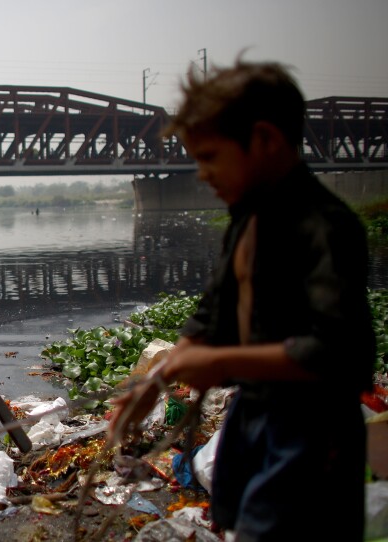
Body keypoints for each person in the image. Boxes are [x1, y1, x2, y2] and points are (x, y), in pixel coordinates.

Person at [107, 59, 375, 540]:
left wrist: (221, 362)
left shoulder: (325, 227)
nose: (202, 173)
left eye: (210, 156)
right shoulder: (247, 221)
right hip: (252, 415)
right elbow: (211, 315)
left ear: (266, 141)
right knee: (235, 522)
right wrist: (153, 382)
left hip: (312, 433)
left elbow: (340, 354)